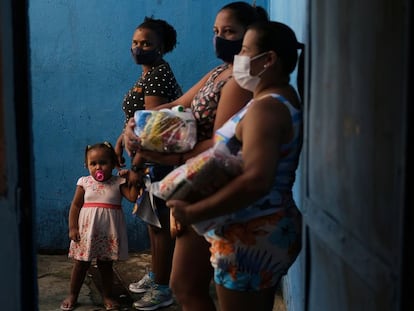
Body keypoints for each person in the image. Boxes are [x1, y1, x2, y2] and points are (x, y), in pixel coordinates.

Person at [124, 3, 268, 310]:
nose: (220, 38)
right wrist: (134, 125)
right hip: (193, 180)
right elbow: (178, 103)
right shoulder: (219, 72)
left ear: (251, 35)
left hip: (208, 183)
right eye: (216, 31)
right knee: (185, 284)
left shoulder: (240, 82)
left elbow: (221, 144)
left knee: (186, 285)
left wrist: (168, 160)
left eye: (229, 32)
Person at [166, 21, 305, 311]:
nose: (238, 58)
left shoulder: (267, 109)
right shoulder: (272, 99)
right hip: (252, 229)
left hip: (251, 237)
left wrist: (193, 211)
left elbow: (256, 180)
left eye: (244, 50)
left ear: (268, 60)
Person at [114, 17, 183, 311]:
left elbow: (153, 131)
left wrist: (137, 166)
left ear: (162, 48)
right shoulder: (149, 73)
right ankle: (157, 275)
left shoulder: (157, 76)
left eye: (146, 44)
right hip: (148, 161)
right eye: (136, 43)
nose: (139, 48)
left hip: (158, 163)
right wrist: (120, 140)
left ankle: (164, 288)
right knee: (153, 224)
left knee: (161, 226)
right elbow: (137, 119)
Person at [60, 142, 140, 311]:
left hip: (108, 234)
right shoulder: (84, 182)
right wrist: (73, 227)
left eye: (103, 163)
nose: (98, 167)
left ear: (113, 164)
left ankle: (107, 296)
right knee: (81, 264)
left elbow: (133, 197)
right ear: (86, 165)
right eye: (93, 163)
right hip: (87, 232)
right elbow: (75, 206)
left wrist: (132, 178)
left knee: (106, 266)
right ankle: (73, 294)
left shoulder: (119, 182)